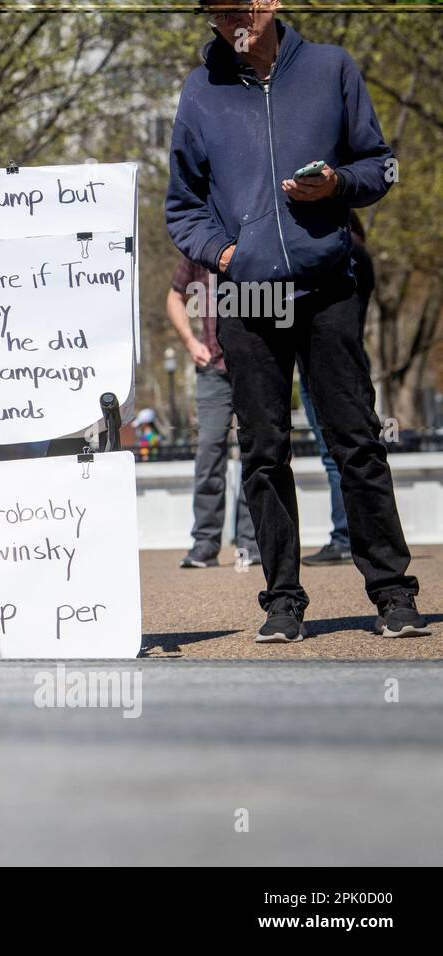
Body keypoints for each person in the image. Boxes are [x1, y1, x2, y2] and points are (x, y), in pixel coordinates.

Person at [166, 0, 426, 641]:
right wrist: (224, 254)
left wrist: (337, 182)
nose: (231, 21)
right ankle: (283, 599)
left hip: (326, 285)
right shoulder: (201, 92)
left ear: (272, 2)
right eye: (216, 13)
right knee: (262, 450)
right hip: (248, 299)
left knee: (356, 441)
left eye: (240, 8)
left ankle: (392, 593)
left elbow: (379, 166)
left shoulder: (332, 68)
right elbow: (182, 205)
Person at [167, 256, 259, 569]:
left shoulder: (258, 238)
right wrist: (191, 343)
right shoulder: (199, 248)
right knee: (209, 453)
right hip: (212, 370)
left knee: (257, 452)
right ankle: (204, 543)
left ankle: (252, 542)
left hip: (258, 366)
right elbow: (175, 297)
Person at [299, 213, 375, 567]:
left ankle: (346, 536)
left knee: (338, 454)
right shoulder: (360, 253)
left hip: (329, 362)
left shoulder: (345, 253)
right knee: (357, 451)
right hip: (349, 359)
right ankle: (357, 536)